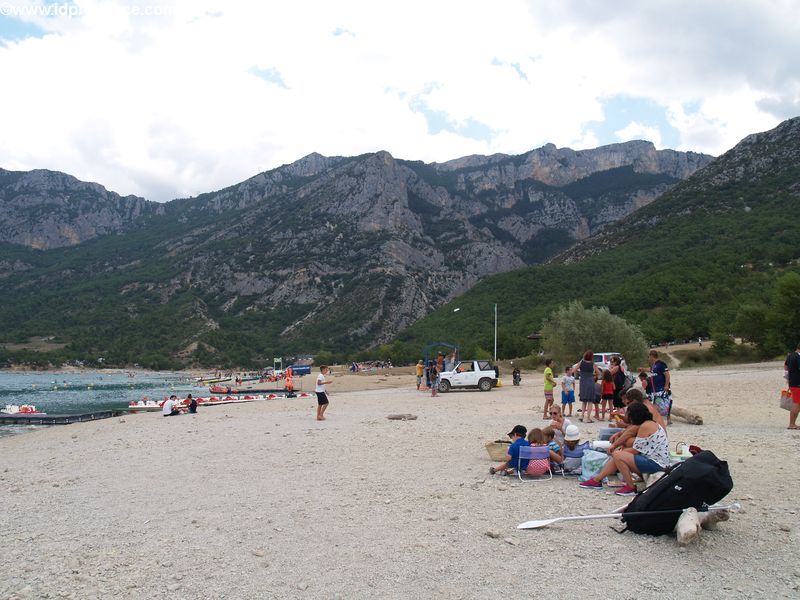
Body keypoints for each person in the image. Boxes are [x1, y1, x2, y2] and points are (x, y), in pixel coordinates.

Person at [579, 401, 670, 495]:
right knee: (618, 455)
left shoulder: (645, 426)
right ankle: (596, 480)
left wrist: (618, 451)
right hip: (657, 461)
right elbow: (630, 433)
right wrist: (617, 449)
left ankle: (630, 487)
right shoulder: (649, 423)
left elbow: (635, 450)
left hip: (656, 464)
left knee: (618, 455)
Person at [574, 351, 600, 423]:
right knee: (590, 401)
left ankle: (582, 416)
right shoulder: (592, 364)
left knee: (584, 400)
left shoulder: (581, 362)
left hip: (583, 382)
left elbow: (574, 369)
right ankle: (588, 418)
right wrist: (594, 375)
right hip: (590, 381)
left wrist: (580, 373)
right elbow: (598, 372)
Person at [648, 350, 672, 424]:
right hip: (654, 389)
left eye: (649, 357)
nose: (648, 358)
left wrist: (666, 385)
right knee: (657, 403)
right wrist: (642, 369)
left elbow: (667, 374)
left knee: (665, 403)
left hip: (661, 388)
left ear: (652, 356)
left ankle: (667, 419)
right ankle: (659, 419)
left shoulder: (661, 364)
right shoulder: (653, 365)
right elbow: (651, 370)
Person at [785, 342, 800, 429]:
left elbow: (786, 366)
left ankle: (793, 423)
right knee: (796, 403)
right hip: (797, 383)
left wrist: (789, 376)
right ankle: (791, 424)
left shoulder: (791, 355)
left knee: (798, 403)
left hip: (793, 382)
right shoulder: (797, 356)